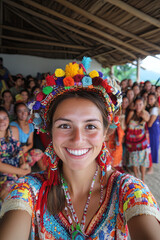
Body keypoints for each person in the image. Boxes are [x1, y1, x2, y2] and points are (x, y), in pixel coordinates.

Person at [0, 58, 160, 240]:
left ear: (105, 132)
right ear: (50, 131)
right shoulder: (29, 190)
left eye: (90, 126)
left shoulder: (129, 190)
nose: (77, 139)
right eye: (64, 126)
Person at [0, 107, 30, 204]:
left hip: (16, 164)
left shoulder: (13, 130)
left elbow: (18, 151)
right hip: (4, 170)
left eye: (5, 118)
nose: (2, 121)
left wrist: (23, 163)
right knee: (11, 190)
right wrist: (21, 172)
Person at [10, 102, 44, 168]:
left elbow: (30, 143)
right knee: (22, 162)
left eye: (25, 110)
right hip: (15, 151)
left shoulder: (30, 125)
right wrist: (21, 152)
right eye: (20, 111)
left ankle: (44, 174)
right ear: (16, 113)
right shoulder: (13, 125)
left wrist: (26, 148)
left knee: (39, 153)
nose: (23, 113)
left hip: (25, 150)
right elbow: (14, 145)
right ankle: (23, 172)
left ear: (27, 112)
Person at [125, 97, 150, 182]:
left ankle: (143, 178)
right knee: (134, 162)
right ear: (134, 105)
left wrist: (143, 114)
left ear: (143, 105)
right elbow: (126, 124)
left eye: (140, 104)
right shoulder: (132, 112)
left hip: (142, 142)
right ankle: (137, 177)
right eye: (136, 104)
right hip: (131, 142)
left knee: (142, 161)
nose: (138, 106)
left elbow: (147, 119)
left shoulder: (145, 114)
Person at [147, 93, 160, 167]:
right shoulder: (152, 108)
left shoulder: (154, 109)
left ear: (155, 100)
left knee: (152, 147)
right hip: (154, 129)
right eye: (148, 98)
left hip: (153, 130)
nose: (149, 100)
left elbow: (149, 124)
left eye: (151, 99)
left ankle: (150, 167)